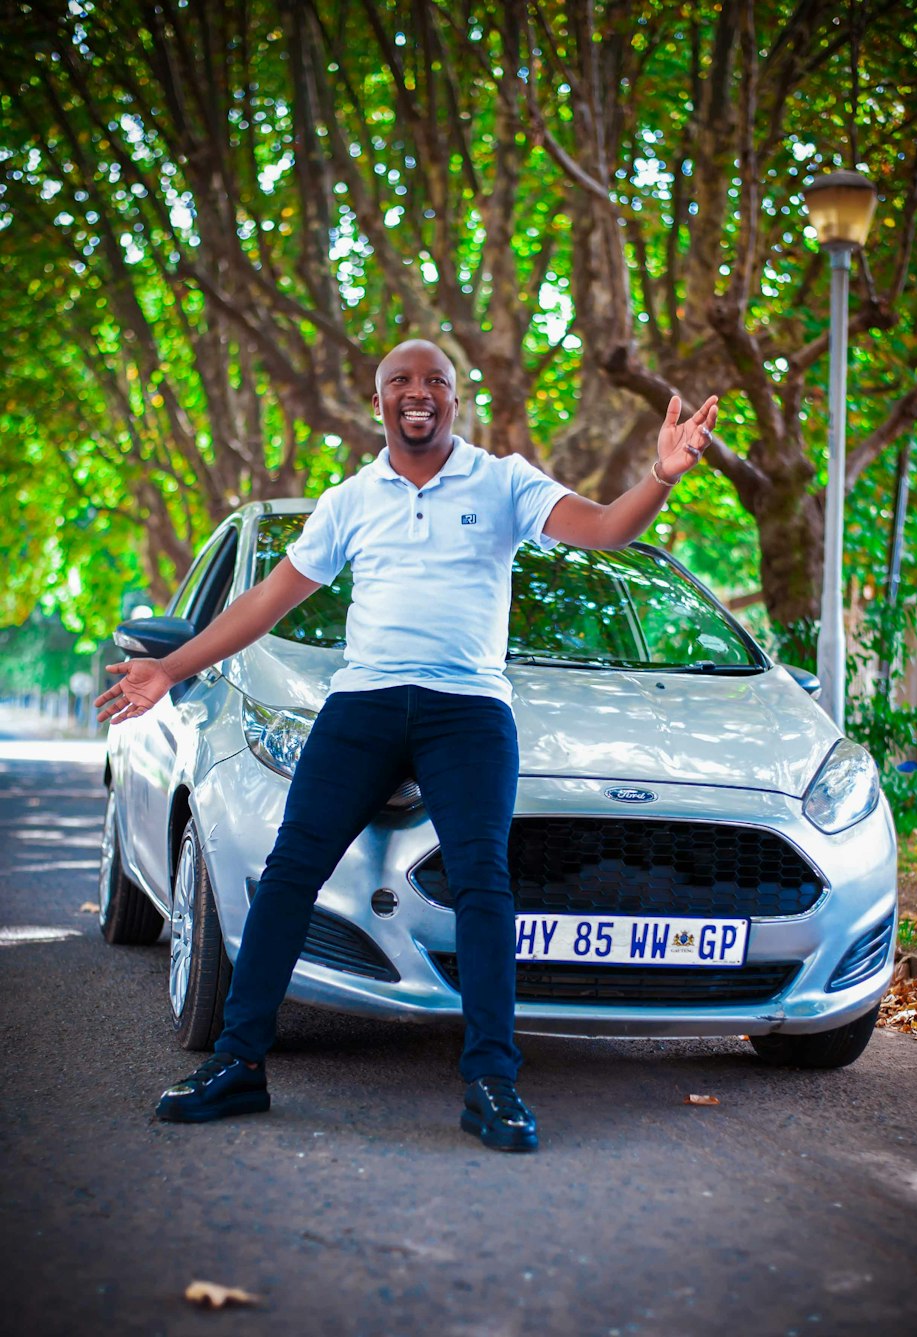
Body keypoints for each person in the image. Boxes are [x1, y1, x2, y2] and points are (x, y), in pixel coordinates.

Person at [96, 339, 717, 1153]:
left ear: (456, 399)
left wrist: (663, 473)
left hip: (468, 709)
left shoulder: (502, 480)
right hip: (364, 703)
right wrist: (169, 668)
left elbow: (601, 531)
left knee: (486, 881)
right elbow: (266, 603)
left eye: (435, 381)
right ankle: (238, 1063)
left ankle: (491, 1082)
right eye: (401, 382)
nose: (417, 392)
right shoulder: (352, 498)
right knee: (289, 870)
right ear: (379, 401)